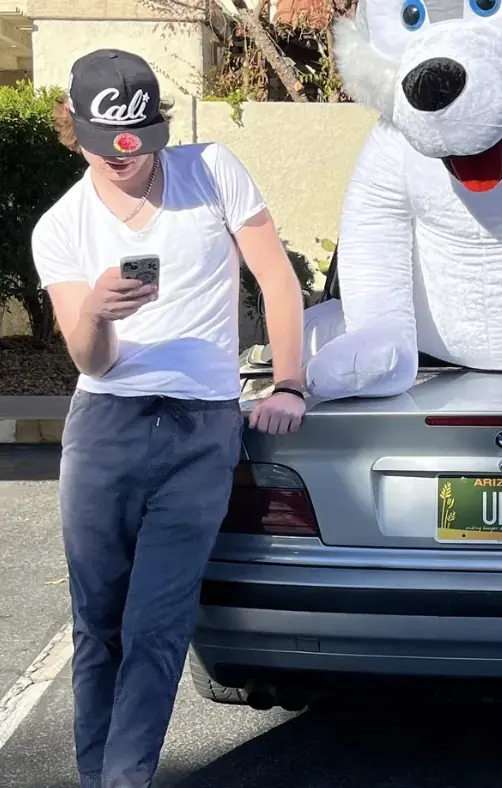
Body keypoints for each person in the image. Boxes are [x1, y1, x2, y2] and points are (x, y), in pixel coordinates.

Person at [31, 49, 305, 788]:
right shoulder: (61, 227)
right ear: (75, 128)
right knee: (98, 626)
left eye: (139, 142)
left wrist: (289, 383)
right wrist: (95, 312)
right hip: (105, 429)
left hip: (200, 428)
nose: (125, 159)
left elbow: (276, 278)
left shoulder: (211, 170)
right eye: (107, 145)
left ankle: (126, 779)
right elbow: (92, 362)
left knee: (156, 623)